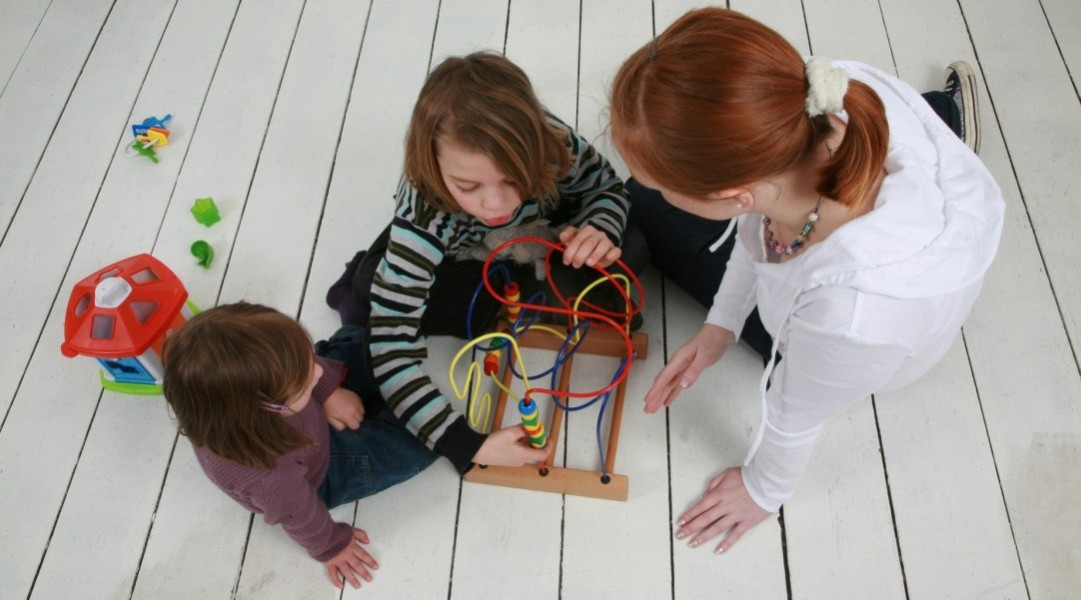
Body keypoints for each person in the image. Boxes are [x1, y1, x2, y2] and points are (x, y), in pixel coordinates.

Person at [609, 8, 1003, 553]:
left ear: (735, 196)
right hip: (833, 254)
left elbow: (793, 416)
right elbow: (764, 230)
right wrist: (718, 328)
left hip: (865, 340)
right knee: (647, 207)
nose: (652, 186)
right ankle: (941, 116)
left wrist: (762, 489)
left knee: (640, 210)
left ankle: (944, 121)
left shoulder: (847, 317)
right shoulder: (817, 100)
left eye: (666, 183)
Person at [325, 51, 648, 475]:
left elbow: (607, 189)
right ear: (433, 164)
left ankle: (518, 291)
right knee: (376, 296)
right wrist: (467, 444)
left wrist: (597, 230)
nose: (495, 203)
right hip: (461, 259)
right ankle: (381, 279)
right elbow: (390, 351)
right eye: (468, 186)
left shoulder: (551, 143)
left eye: (513, 178)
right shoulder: (424, 214)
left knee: (635, 247)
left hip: (540, 239)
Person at [162, 303, 437, 590]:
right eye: (305, 382)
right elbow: (300, 515)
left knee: (369, 345)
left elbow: (310, 369)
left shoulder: (267, 387)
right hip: (318, 468)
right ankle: (390, 413)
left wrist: (326, 391)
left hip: (308, 412)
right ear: (266, 411)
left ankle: (349, 312)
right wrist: (332, 545)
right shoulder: (269, 476)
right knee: (414, 447)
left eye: (307, 361)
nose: (317, 372)